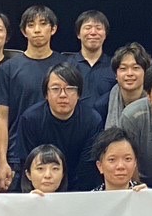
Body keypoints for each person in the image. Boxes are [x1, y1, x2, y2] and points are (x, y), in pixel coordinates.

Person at [0, 6, 62, 178]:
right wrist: (2, 161)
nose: (37, 30)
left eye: (43, 24)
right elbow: (1, 116)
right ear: (24, 31)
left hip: (58, 152)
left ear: (53, 29)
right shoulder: (8, 68)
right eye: (31, 25)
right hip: (18, 154)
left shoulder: (65, 66)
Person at [11, 62, 104, 191]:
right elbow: (26, 163)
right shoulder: (30, 119)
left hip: (80, 188)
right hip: (40, 188)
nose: (63, 95)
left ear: (79, 94)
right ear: (46, 94)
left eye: (70, 89)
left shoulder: (92, 120)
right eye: (55, 89)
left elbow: (87, 168)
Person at [71, 10, 116, 110]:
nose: (93, 32)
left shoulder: (114, 66)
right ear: (78, 34)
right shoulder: (67, 65)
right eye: (88, 28)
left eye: (98, 28)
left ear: (105, 34)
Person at [103, 42, 151, 126]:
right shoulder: (103, 106)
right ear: (116, 75)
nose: (129, 73)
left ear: (145, 72)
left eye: (135, 68)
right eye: (123, 68)